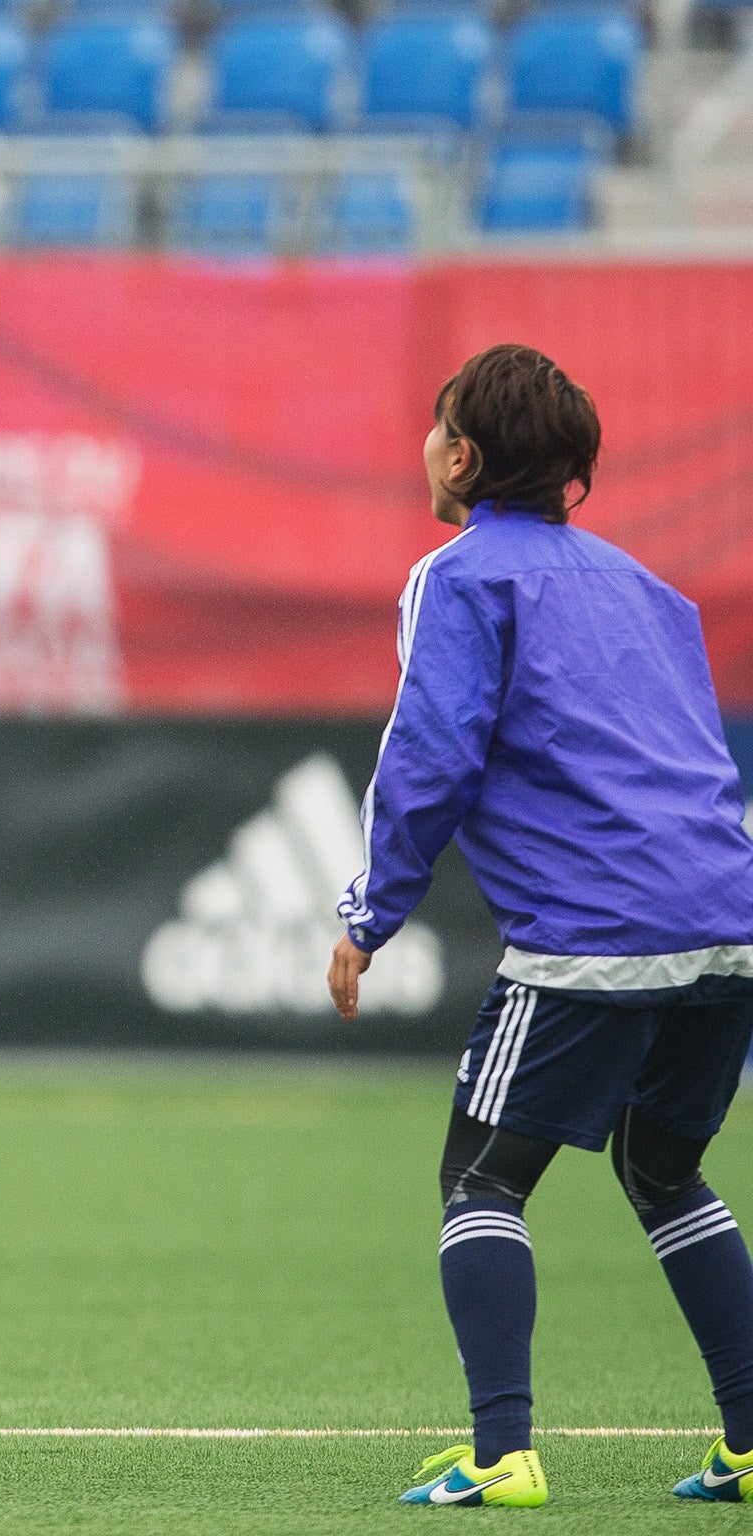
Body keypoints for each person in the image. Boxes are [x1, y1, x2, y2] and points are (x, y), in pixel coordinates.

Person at [330, 344, 753, 1509]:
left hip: (594, 930)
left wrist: (369, 913)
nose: (425, 443)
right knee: (663, 1169)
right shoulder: (644, 586)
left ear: (459, 457)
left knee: (479, 1180)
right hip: (731, 918)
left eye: (433, 425)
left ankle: (501, 1454)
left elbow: (427, 758)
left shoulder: (457, 578)